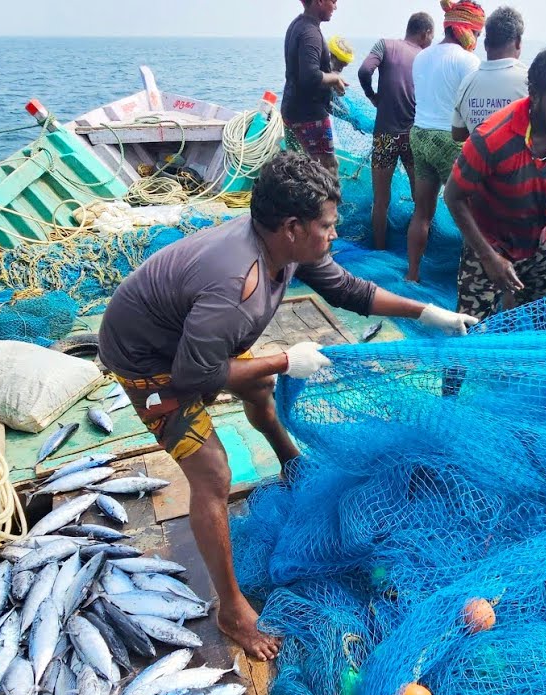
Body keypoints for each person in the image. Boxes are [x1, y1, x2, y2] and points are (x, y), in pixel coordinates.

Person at [97, 152, 479, 660]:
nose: (335, 234)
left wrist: (427, 312)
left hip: (196, 338)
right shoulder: (237, 284)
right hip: (147, 360)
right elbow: (194, 377)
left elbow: (349, 289)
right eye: (327, 226)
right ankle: (231, 609)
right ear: (293, 228)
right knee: (212, 473)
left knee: (255, 388)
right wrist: (283, 360)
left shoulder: (287, 244)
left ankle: (290, 461)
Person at [445, 42, 546, 320]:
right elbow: (453, 196)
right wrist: (488, 257)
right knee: (468, 328)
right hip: (489, 240)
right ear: (534, 94)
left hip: (541, 240)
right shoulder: (492, 138)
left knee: (544, 319)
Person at [404, 0, 483, 282]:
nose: (477, 40)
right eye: (477, 33)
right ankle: (470, 280)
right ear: (467, 30)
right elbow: (472, 109)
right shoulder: (468, 61)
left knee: (422, 211)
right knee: (471, 217)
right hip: (450, 141)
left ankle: (412, 274)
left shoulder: (422, 56)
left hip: (419, 134)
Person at [358, 13, 435, 250]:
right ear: (426, 34)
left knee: (381, 200)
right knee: (420, 200)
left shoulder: (385, 45)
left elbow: (363, 71)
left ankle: (379, 249)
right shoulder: (425, 57)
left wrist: (373, 97)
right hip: (412, 136)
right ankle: (421, 251)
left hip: (384, 136)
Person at [282, 0, 347, 176]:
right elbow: (310, 76)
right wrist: (334, 78)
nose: (335, 6)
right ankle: (328, 204)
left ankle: (297, 203)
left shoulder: (298, 24)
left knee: (298, 169)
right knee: (329, 168)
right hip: (309, 115)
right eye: (333, 1)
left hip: (291, 110)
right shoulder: (311, 33)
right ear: (319, 1)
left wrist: (333, 76)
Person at [452, 6, 527, 138]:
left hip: (477, 157)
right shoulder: (530, 82)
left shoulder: (467, 83)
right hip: (518, 158)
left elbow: (458, 135)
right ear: (518, 43)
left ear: (486, 44)